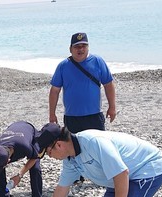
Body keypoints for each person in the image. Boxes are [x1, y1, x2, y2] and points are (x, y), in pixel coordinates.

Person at [49, 32, 116, 184]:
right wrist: (52, 113)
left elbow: (108, 84)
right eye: (77, 46)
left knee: (100, 147)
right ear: (70, 49)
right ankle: (76, 176)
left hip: (94, 115)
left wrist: (112, 107)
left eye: (83, 46)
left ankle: (104, 175)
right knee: (72, 148)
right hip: (72, 116)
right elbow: (54, 90)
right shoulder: (63, 66)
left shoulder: (98, 61)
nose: (80, 49)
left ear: (88, 47)